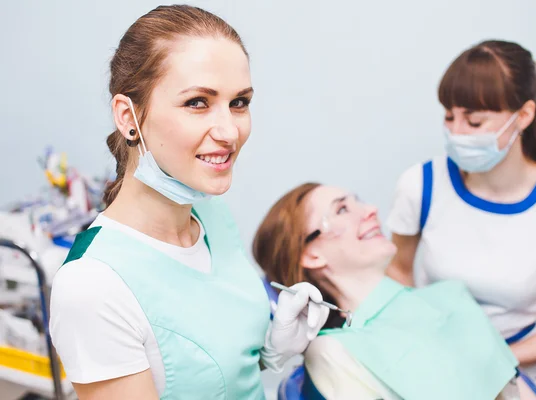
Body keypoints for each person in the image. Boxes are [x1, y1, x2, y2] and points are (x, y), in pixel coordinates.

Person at [48, 5, 328, 399]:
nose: (230, 131)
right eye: (197, 102)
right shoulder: (91, 285)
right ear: (128, 117)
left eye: (240, 102)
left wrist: (271, 349)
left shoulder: (210, 213)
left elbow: (201, 368)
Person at [386, 40, 536, 400]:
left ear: (524, 115)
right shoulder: (420, 185)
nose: (456, 133)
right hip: (433, 365)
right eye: (449, 117)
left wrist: (494, 361)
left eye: (474, 120)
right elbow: (397, 271)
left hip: (520, 375)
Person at [253, 183, 526, 400]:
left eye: (358, 201)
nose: (370, 209)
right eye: (342, 210)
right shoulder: (332, 350)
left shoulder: (451, 299)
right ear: (311, 255)